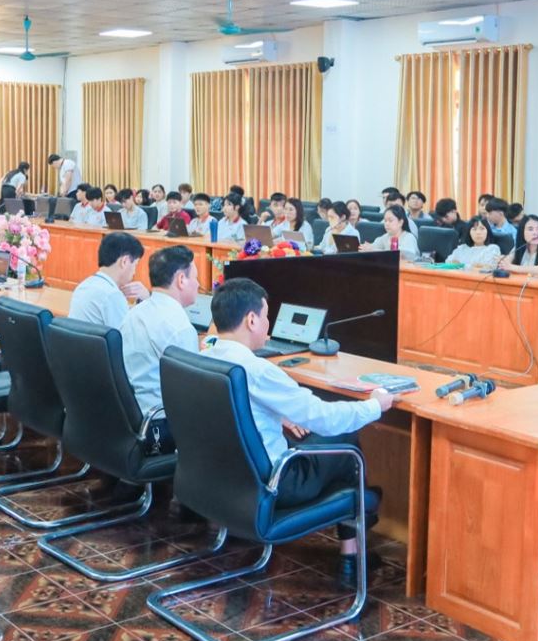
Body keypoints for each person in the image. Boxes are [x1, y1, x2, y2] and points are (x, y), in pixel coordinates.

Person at [199, 278, 394, 589]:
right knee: (345, 441)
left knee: (312, 439)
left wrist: (281, 414)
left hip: (219, 478)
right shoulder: (258, 370)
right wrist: (375, 405)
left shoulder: (204, 355)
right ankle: (351, 555)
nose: (268, 324)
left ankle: (351, 551)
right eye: (266, 316)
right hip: (276, 485)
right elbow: (325, 419)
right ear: (251, 320)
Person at [119, 246, 199, 454]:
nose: (198, 285)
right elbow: (192, 392)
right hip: (159, 427)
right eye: (195, 278)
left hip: (129, 420)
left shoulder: (134, 313)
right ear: (181, 280)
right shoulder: (179, 327)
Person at [69, 232, 148, 328]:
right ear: (124, 261)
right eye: (135, 265)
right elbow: (127, 334)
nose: (134, 272)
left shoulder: (83, 285)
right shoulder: (112, 295)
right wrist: (147, 301)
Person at [502, 214, 538, 280]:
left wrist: (512, 267)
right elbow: (505, 264)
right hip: (522, 283)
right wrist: (503, 261)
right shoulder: (520, 246)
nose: (535, 233)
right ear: (522, 232)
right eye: (530, 229)